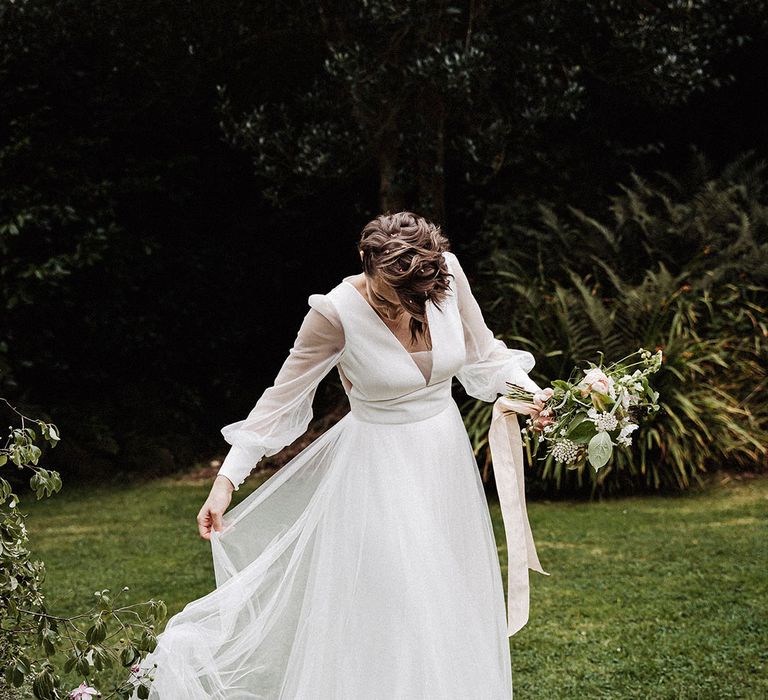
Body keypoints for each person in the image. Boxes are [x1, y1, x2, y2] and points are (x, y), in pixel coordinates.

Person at [130, 211, 547, 699]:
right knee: (400, 601)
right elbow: (280, 400)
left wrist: (537, 395)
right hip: (377, 473)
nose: (408, 306)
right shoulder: (334, 313)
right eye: (395, 294)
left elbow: (484, 356)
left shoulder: (445, 275)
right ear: (364, 261)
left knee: (447, 598)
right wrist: (227, 481)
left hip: (444, 461)